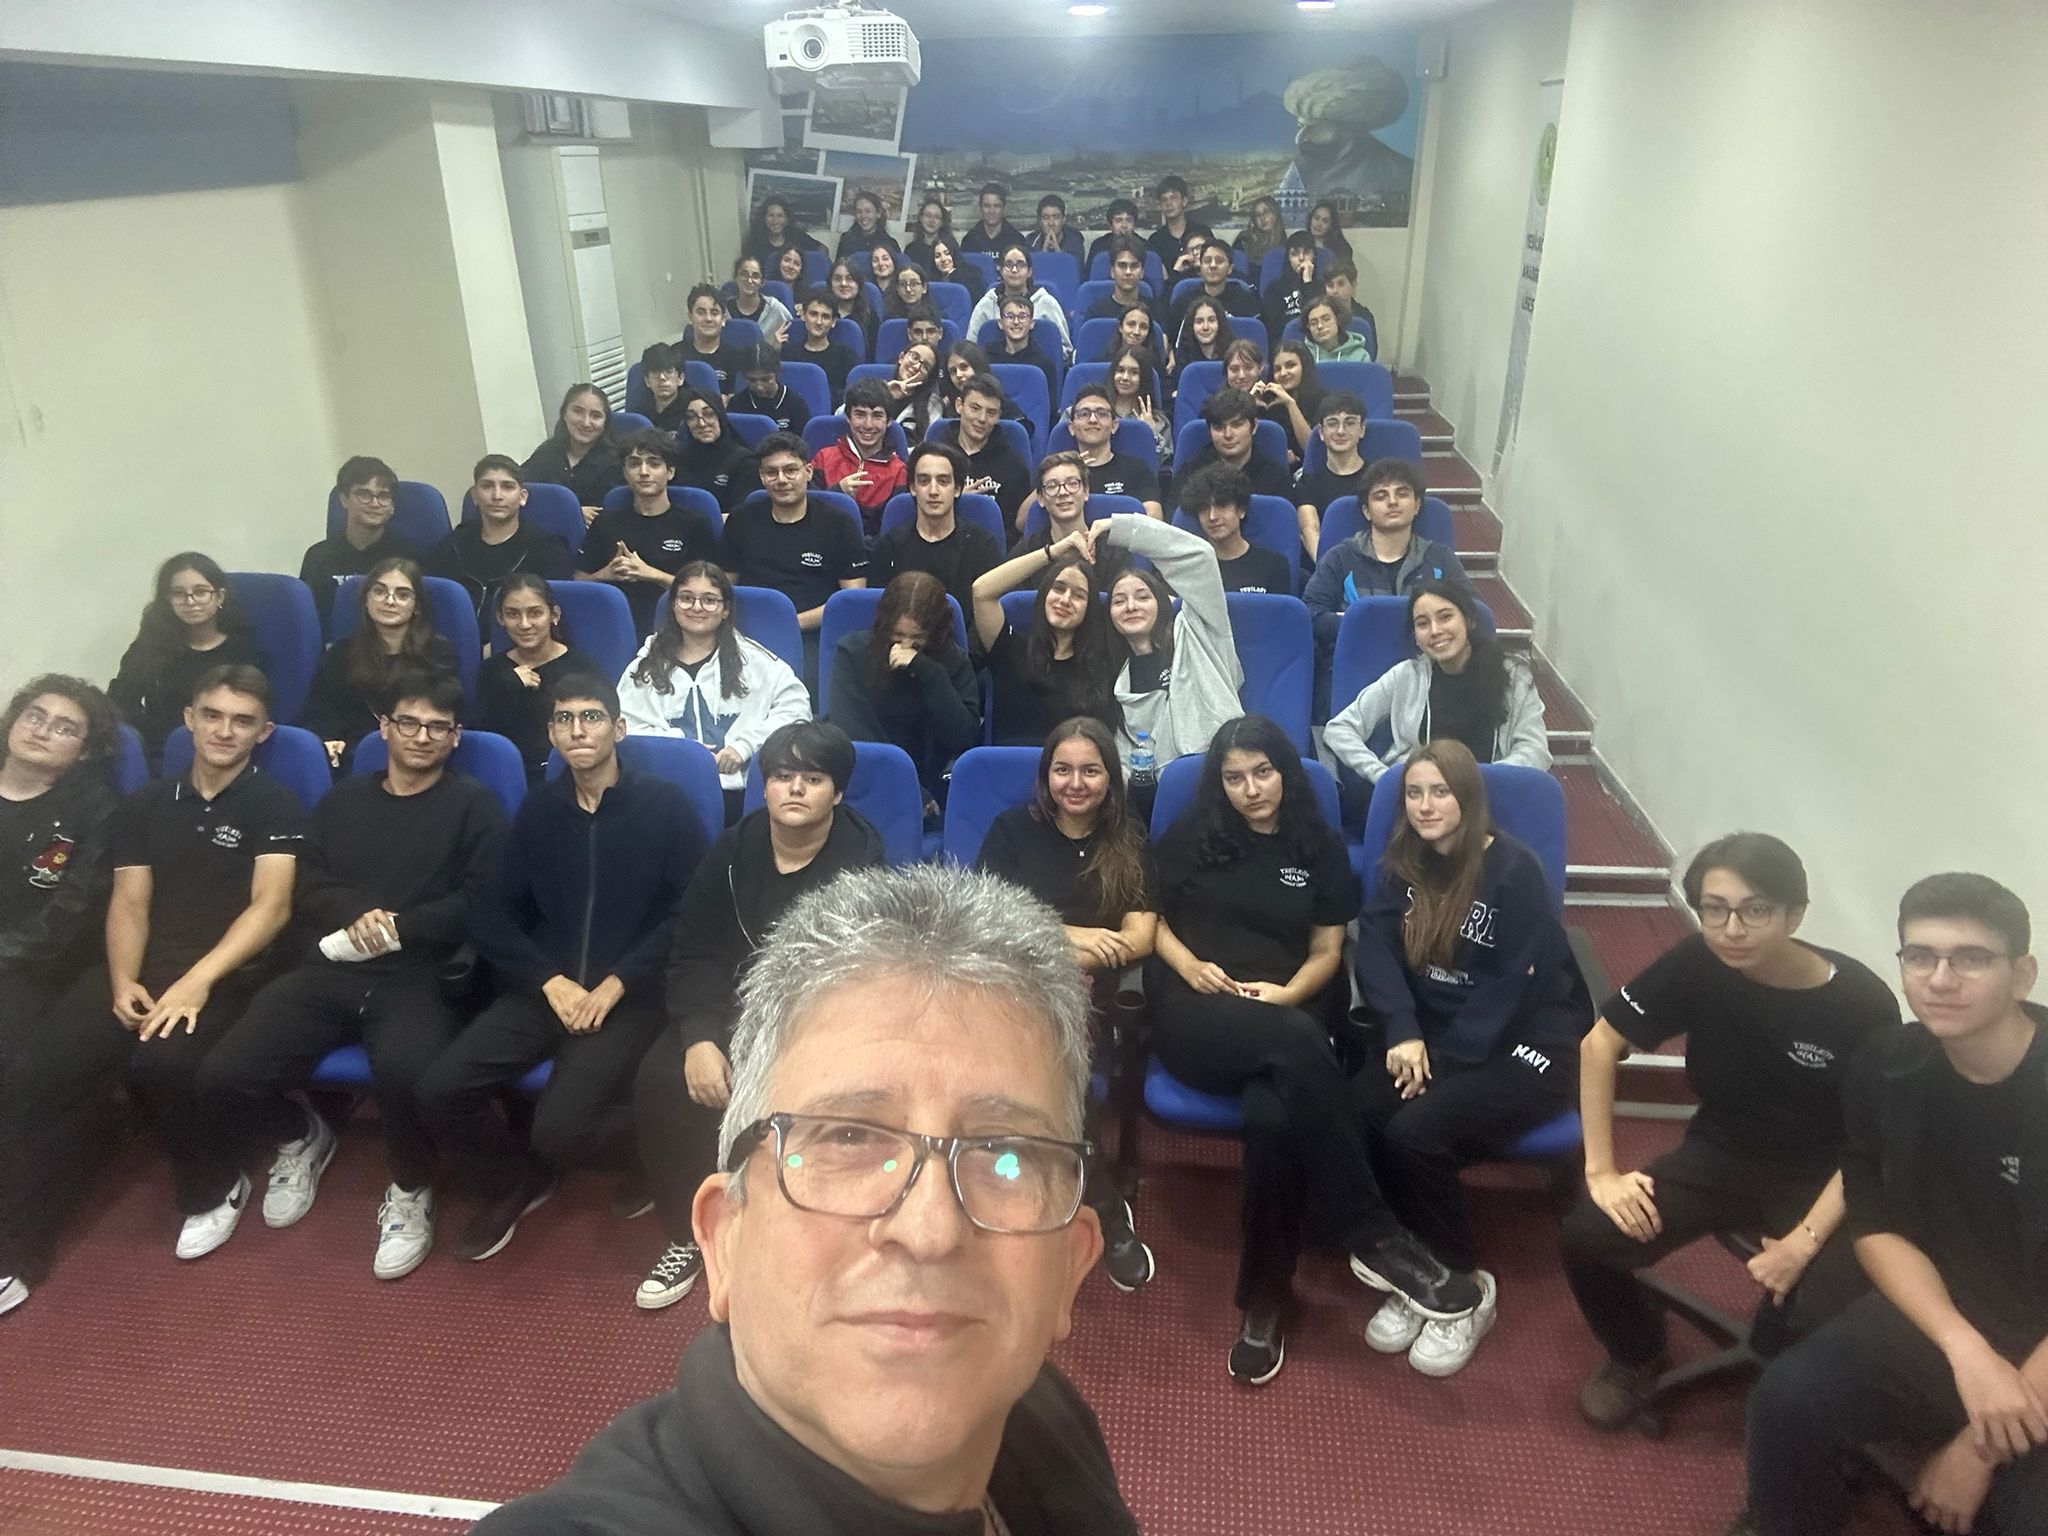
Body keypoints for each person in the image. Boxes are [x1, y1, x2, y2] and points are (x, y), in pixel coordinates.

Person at [475, 862, 1136, 1535]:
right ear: (724, 1238)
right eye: (848, 1136)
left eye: (1006, 1153)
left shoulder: (1038, 1414)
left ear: (1070, 1266)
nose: (930, 1229)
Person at [1737, 873, 2048, 1536]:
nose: (1940, 978)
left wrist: (1978, 1447)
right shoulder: (1886, 1064)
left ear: (2022, 974)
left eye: (1970, 958)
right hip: (1950, 1309)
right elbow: (1874, 1218)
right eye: (1919, 956)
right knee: (1789, 1401)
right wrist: (1963, 1347)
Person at [1560, 833, 1898, 1431]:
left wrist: (1805, 1242)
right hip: (1721, 1152)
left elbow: (1870, 1142)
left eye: (1755, 910)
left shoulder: (1859, 1002)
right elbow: (1599, 1045)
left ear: (1796, 913)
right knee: (1589, 1235)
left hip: (1825, 1178)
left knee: (1820, 1314)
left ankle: (1779, 1375)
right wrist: (1602, 1172)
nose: (1732, 929)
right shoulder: (1699, 962)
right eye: (1714, 909)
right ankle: (1637, 1353)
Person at [187, 672, 504, 1279]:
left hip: (420, 971)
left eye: (439, 728)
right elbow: (307, 882)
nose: (422, 736)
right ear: (384, 728)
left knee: (409, 1075)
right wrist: (355, 916)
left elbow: (485, 898)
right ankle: (301, 1134)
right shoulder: (342, 802)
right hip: (333, 963)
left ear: (456, 738)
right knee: (223, 1075)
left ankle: (411, 1188)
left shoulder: (474, 806)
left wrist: (400, 925)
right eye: (408, 723)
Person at [0, 665, 301, 1302]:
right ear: (188, 718)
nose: (225, 730)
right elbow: (130, 903)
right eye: (212, 715)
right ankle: (17, 1250)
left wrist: (194, 983)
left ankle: (214, 1185)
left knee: (163, 1063)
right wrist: (120, 981)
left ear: (263, 732)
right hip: (140, 966)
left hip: (227, 970)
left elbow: (269, 909)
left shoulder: (273, 803)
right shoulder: (143, 806)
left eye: (242, 721)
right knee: (37, 1074)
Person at [1147, 716, 1409, 1382]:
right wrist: (1191, 968)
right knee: (1295, 1048)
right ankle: (1370, 1228)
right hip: (1198, 1015)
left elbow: (1328, 950)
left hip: (1286, 1013)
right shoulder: (1192, 836)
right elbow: (1153, 924)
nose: (1249, 788)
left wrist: (1289, 996)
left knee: (1273, 1117)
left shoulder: (1316, 845)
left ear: (1285, 771)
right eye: (1234, 777)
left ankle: (1263, 1299)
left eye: (1262, 772)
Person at [417, 672, 701, 1262]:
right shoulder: (538, 811)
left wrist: (617, 983)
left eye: (591, 717)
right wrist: (549, 982)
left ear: (619, 728)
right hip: (544, 988)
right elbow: (494, 913)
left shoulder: (665, 805)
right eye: (565, 719)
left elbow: (689, 912)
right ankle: (512, 1180)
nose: (579, 730)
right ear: (551, 734)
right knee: (440, 1089)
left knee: (560, 1131)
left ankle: (646, 1153)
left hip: (629, 993)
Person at [1348, 740, 1593, 1377]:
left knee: (1414, 1133)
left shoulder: (1514, 870)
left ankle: (1463, 1284)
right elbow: (1373, 946)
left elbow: (1516, 984)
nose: (1426, 806)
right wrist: (1403, 1033)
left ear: (1467, 798)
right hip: (1430, 1038)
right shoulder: (1402, 865)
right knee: (1359, 1108)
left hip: (1525, 1044)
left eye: (1441, 792)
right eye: (1414, 793)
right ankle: (1413, 1266)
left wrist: (1440, 1062)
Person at [626, 721, 885, 1311]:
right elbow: (694, 950)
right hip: (723, 1008)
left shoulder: (862, 865)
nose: (795, 789)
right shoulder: (732, 850)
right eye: (782, 776)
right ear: (763, 787)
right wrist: (698, 1037)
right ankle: (684, 1234)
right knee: (661, 1080)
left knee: (794, 1104)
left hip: (812, 1018)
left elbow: (851, 977)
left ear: (837, 794)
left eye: (813, 779)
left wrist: (771, 1046)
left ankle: (788, 1235)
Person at [977, 717, 1156, 1291]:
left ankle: (1083, 1203)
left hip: (1093, 987)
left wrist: (1071, 947)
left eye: (1090, 770)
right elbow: (987, 919)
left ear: (1110, 778)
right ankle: (1096, 1203)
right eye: (1062, 769)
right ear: (1045, 775)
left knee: (1053, 1049)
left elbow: (1141, 937)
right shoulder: (1012, 831)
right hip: (1011, 971)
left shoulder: (1128, 838)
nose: (1074, 783)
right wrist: (1071, 936)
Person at [615, 563, 810, 809]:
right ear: (673, 604)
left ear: (725, 609)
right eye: (686, 598)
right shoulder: (645, 665)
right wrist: (683, 750)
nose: (697, 607)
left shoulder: (756, 660)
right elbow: (622, 725)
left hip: (740, 794)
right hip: (664, 790)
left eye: (709, 600)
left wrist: (745, 745)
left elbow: (797, 710)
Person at [1326, 581, 1549, 794]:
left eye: (1445, 617)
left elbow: (1535, 751)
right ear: (1416, 638)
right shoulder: (1406, 675)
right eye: (1423, 623)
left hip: (1490, 796)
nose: (1435, 630)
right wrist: (1383, 775)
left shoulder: (1513, 675)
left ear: (1468, 620)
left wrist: (1478, 783)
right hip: (1419, 801)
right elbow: (1339, 729)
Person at [0, 677, 121, 1041]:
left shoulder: (96, 812)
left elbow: (71, 912)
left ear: (85, 751)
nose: (42, 731)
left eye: (64, 729)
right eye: (34, 717)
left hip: (31, 963)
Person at [1304, 457, 1471, 720]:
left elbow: (1469, 612)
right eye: (1381, 496)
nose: (1392, 502)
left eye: (1402, 494)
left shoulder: (1440, 558)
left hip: (1428, 671)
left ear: (1416, 505)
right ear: (1367, 510)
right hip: (1356, 670)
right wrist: (1358, 624)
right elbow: (1311, 615)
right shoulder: (1340, 558)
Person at [1094, 515, 1242, 782]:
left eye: (1142, 597)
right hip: (1159, 791)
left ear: (1161, 603)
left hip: (1224, 771)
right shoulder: (1115, 675)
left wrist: (1119, 529)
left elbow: (1200, 557)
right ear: (1110, 616)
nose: (1131, 606)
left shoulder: (1200, 632)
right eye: (1119, 601)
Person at [716, 433, 867, 688]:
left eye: (790, 470)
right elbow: (722, 588)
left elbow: (850, 600)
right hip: (747, 632)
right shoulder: (741, 519)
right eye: (772, 472)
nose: (781, 480)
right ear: (762, 477)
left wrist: (790, 623)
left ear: (808, 472)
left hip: (811, 634)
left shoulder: (839, 523)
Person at [826, 571, 979, 813]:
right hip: (865, 772)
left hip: (931, 781)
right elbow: (851, 729)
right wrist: (907, 788)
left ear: (936, 633)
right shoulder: (852, 652)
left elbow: (963, 736)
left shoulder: (953, 661)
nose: (905, 646)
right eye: (896, 636)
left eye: (918, 639)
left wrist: (929, 672)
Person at [108, 553, 268, 773]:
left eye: (201, 592)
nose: (190, 601)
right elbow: (118, 703)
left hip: (224, 750)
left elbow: (254, 713)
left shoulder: (244, 652)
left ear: (219, 597)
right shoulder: (148, 648)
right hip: (158, 754)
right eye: (179, 594)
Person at [302, 556, 459, 772]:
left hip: (418, 753)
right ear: (366, 600)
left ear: (417, 607)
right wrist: (328, 739)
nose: (390, 601)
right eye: (379, 591)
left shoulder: (438, 654)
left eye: (403, 595)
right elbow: (320, 714)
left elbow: (444, 713)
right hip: (349, 760)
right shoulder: (340, 655)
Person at [971, 526, 1122, 747]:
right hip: (1013, 774)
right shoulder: (1011, 649)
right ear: (1044, 596)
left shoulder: (1104, 666)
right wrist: (1053, 552)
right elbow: (981, 591)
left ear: (1090, 609)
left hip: (1074, 777)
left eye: (1079, 595)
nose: (1065, 599)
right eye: (1058, 588)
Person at [578, 429, 719, 636]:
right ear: (625, 473)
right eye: (634, 464)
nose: (644, 472)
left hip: (678, 624)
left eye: (654, 463)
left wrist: (650, 574)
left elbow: (711, 592)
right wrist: (606, 574)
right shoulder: (606, 522)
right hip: (614, 625)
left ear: (670, 471)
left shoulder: (695, 523)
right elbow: (578, 582)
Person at [426, 455, 574, 629]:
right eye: (487, 486)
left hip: (519, 642)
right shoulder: (454, 543)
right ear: (474, 495)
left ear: (522, 496)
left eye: (507, 487)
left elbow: (551, 615)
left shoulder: (547, 548)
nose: (497, 495)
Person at [474, 575, 596, 783]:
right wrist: (509, 685)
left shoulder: (580, 668)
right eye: (512, 614)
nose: (524, 624)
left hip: (566, 776)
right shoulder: (491, 670)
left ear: (554, 614)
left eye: (535, 613)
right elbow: (484, 736)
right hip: (505, 776)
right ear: (500, 618)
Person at [867, 442, 1002, 616]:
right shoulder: (889, 545)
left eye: (943, 481)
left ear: (958, 489)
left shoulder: (983, 546)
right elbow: (881, 613)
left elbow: (987, 616)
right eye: (924, 481)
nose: (933, 491)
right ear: (913, 488)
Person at [299, 456, 423, 631]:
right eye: (364, 494)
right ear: (344, 500)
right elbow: (310, 619)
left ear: (392, 506)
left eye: (383, 496)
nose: (374, 503)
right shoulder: (318, 556)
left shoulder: (409, 557)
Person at [811, 379, 909, 540]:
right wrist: (837, 492)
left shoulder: (900, 472)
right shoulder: (823, 458)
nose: (868, 425)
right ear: (848, 418)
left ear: (889, 421)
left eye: (877, 415)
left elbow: (894, 531)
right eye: (860, 415)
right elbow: (806, 513)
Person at [932, 374, 1032, 527]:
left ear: (999, 416)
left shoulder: (1013, 464)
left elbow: (1016, 529)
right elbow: (915, 512)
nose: (982, 418)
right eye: (975, 408)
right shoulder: (933, 456)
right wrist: (954, 501)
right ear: (959, 406)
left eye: (991, 412)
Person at [522, 383, 624, 524]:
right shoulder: (547, 453)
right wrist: (572, 512)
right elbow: (521, 492)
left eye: (596, 415)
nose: (586, 422)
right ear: (564, 414)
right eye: (578, 411)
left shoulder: (616, 461)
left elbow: (609, 513)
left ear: (605, 422)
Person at [1180, 465, 1291, 595]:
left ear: (1241, 510)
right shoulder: (1188, 566)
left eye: (1222, 506)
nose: (1212, 517)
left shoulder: (1273, 565)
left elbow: (1279, 613)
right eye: (1204, 509)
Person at [1179, 387, 1294, 501]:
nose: (1228, 434)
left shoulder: (1275, 477)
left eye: (1237, 425)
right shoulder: (1191, 473)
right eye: (1219, 427)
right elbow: (1176, 517)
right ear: (1210, 431)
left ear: (1254, 427)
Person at [1292, 389, 1372, 552]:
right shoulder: (1307, 484)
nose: (1341, 431)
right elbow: (1310, 532)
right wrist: (1332, 572)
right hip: (1327, 568)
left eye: (1350, 423)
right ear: (1321, 433)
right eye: (1332, 423)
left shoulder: (1379, 480)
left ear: (1362, 429)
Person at [968, 245, 1074, 361]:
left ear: (1029, 271)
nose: (1014, 270)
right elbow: (971, 347)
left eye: (1020, 265)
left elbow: (1065, 350)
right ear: (1001, 270)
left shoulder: (1047, 302)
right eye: (1008, 265)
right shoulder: (986, 304)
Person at [671, 388, 763, 516]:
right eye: (691, 417)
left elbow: (744, 517)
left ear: (720, 416)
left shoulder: (745, 462)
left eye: (709, 414)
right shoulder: (678, 460)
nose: (702, 423)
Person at [1227, 340, 1313, 470]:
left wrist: (1290, 403)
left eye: (1290, 366)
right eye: (1277, 369)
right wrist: (1249, 402)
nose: (1283, 373)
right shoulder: (1266, 402)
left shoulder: (1322, 400)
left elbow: (1312, 450)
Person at [1168, 240, 1260, 357]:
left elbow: (1255, 340)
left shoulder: (1245, 300)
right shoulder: (1184, 301)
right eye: (1207, 261)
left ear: (1230, 268)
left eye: (1219, 261)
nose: (1213, 265)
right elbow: (1173, 342)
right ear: (1200, 266)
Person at [1094, 350, 1173, 486]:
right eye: (1120, 370)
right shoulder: (1092, 412)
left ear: (1144, 379)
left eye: (1134, 373)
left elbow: (1159, 466)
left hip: (1137, 485)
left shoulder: (1158, 421)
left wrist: (1150, 434)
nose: (1125, 377)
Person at [782, 288, 858, 407]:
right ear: (803, 315)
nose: (818, 322)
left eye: (825, 317)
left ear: (833, 322)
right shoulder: (788, 353)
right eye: (813, 314)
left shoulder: (845, 355)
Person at [989, 294, 1062, 414]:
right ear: (1000, 323)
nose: (1016, 322)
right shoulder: (988, 356)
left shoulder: (1043, 363)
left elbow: (1051, 409)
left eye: (1022, 316)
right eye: (1010, 316)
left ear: (1031, 323)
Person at [725, 344, 812, 438]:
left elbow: (802, 443)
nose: (759, 387)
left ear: (776, 373)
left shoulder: (795, 404)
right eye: (752, 380)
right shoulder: (737, 404)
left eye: (766, 380)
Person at [678, 284, 742, 398]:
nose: (708, 319)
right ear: (690, 317)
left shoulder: (736, 358)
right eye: (701, 312)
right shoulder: (675, 355)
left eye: (714, 313)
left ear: (723, 319)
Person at [1146, 175, 1214, 277]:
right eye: (1164, 200)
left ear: (1184, 201)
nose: (1168, 204)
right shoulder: (1156, 240)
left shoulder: (1203, 232)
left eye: (1173, 198)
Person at [1262, 230, 1321, 342]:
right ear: (1288, 258)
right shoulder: (1274, 289)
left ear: (1314, 256)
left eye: (1307, 252)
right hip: (1285, 345)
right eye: (1295, 253)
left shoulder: (1323, 287)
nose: (1301, 258)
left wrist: (1307, 282)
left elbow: (1318, 318)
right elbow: (1273, 331)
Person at [742, 194, 825, 273]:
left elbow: (823, 250)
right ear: (763, 218)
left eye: (780, 216)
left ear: (787, 218)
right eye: (771, 215)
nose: (775, 221)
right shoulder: (755, 243)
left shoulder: (797, 237)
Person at [724, 254, 792, 349]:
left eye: (755, 276)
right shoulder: (723, 311)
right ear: (735, 278)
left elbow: (792, 337)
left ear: (762, 282)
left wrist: (776, 347)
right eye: (744, 274)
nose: (749, 280)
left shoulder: (776, 309)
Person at [1085, 238, 1157, 324]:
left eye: (1134, 266)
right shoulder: (1095, 313)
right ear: (1112, 271)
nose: (1128, 272)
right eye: (1122, 266)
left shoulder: (1155, 311)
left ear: (1142, 272)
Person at [883, 339, 942, 442]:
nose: (917, 366)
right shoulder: (878, 389)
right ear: (901, 357)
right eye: (914, 357)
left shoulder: (932, 405)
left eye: (926, 366)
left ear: (928, 377)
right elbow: (847, 414)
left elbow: (929, 446)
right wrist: (884, 393)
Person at [1169, 295, 1234, 383]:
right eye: (1199, 322)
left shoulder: (1233, 355)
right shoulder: (1182, 356)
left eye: (1211, 320)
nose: (1205, 327)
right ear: (1192, 326)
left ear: (1220, 324)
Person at [1323, 261, 1378, 356]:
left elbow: (1371, 354)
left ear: (1353, 285)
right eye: (1330, 285)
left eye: (1340, 284)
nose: (1335, 291)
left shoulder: (1364, 316)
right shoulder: (1318, 314)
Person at [826, 258, 878, 356]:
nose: (843, 284)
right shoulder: (821, 313)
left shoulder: (869, 314)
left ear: (858, 284)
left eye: (850, 279)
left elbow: (873, 355)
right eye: (837, 279)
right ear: (830, 284)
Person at [638, 341, 691, 434]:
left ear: (680, 378)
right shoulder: (640, 411)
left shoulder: (692, 408)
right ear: (647, 381)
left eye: (669, 371)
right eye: (655, 372)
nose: (662, 378)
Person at [1303, 293, 1371, 364]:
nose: (1320, 326)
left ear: (1338, 319)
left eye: (1326, 319)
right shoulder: (1302, 357)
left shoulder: (1360, 356)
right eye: (1313, 323)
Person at [834, 189, 900, 261]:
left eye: (868, 211)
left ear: (878, 213)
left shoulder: (890, 243)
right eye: (859, 211)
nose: (863, 216)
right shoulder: (846, 240)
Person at [961, 181, 1025, 254]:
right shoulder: (969, 240)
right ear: (980, 208)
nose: (991, 211)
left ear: (1003, 208)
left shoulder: (1016, 240)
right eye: (987, 206)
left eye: (996, 206)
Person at [1086, 197, 1142, 272]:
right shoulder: (1098, 246)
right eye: (1119, 220)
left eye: (1129, 220)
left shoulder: (1144, 246)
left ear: (1134, 224)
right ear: (1111, 225)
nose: (1124, 225)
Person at [902, 195, 954, 272]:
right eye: (928, 215)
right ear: (921, 218)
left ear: (942, 222)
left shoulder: (951, 246)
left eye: (936, 217)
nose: (932, 220)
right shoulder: (911, 249)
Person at [926, 234, 984, 303]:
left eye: (947, 253)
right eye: (937, 256)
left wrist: (953, 274)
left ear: (954, 254)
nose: (943, 259)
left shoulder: (971, 276)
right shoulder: (930, 282)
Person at [1234, 196, 1286, 272]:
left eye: (1266, 212)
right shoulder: (1244, 240)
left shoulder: (1285, 243)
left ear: (1275, 214)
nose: (1262, 218)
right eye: (1257, 214)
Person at [1030, 193, 1085, 259]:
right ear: (1039, 220)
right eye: (1046, 218)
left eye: (1056, 217)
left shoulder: (1075, 242)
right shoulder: (1031, 242)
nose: (1051, 223)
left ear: (1064, 219)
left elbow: (1075, 268)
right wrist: (1043, 254)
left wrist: (1058, 252)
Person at [1308, 199, 1353, 263]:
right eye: (1316, 218)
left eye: (1325, 221)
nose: (1319, 224)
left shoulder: (1341, 249)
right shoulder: (1300, 244)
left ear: (1331, 225)